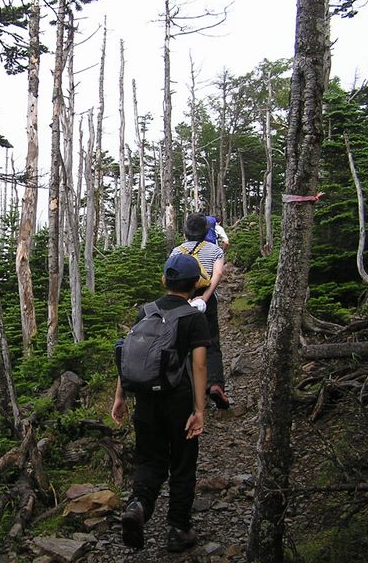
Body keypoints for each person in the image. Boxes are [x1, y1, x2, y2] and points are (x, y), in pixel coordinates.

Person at [111, 253, 210, 552]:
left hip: (145, 400)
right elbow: (199, 366)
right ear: (195, 283)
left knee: (150, 460)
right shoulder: (194, 317)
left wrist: (120, 396)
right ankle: (178, 529)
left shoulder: (146, 311)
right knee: (182, 463)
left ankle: (138, 505)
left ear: (165, 280)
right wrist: (199, 410)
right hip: (178, 401)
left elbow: (129, 355)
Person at [173, 213, 229, 409]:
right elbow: (218, 273)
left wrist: (184, 300)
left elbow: (170, 277)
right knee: (211, 342)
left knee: (186, 345)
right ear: (206, 230)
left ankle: (192, 392)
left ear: (186, 231)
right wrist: (204, 297)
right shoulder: (215, 250)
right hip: (207, 300)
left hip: (183, 300)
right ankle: (215, 384)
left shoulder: (177, 251)